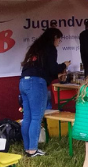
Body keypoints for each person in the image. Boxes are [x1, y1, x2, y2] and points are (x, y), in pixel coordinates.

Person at [20, 28, 70, 157]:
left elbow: (46, 70)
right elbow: (53, 69)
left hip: (23, 82)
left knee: (27, 118)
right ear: (54, 37)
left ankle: (27, 149)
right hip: (36, 83)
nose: (59, 41)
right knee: (36, 118)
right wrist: (64, 65)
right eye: (59, 38)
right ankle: (33, 150)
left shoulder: (36, 48)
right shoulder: (50, 48)